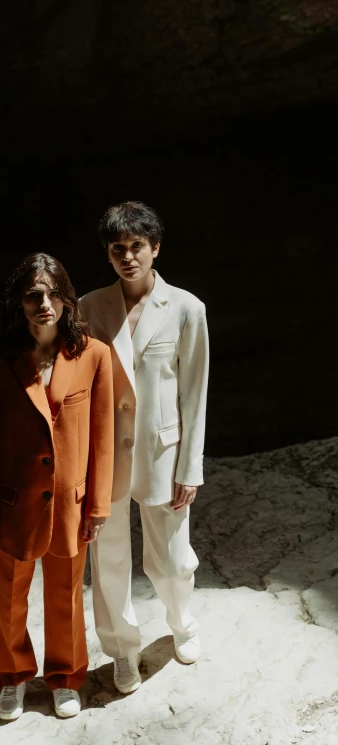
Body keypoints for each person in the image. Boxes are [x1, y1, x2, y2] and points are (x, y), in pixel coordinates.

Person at [0, 253, 114, 720]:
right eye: (33, 295)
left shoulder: (94, 355)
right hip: (11, 504)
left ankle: (65, 677)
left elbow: (102, 436)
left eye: (53, 294)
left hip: (70, 502)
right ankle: (12, 678)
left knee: (66, 596)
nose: (44, 304)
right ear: (18, 303)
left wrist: (98, 505)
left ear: (68, 299)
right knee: (8, 597)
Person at [79, 201, 209, 693]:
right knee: (108, 559)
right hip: (106, 454)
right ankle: (123, 652)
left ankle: (183, 622)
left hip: (162, 452)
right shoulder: (91, 308)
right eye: (118, 249)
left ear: (155, 248)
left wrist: (190, 466)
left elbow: (194, 391)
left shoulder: (186, 308)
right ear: (108, 254)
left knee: (172, 559)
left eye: (137, 246)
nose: (128, 256)